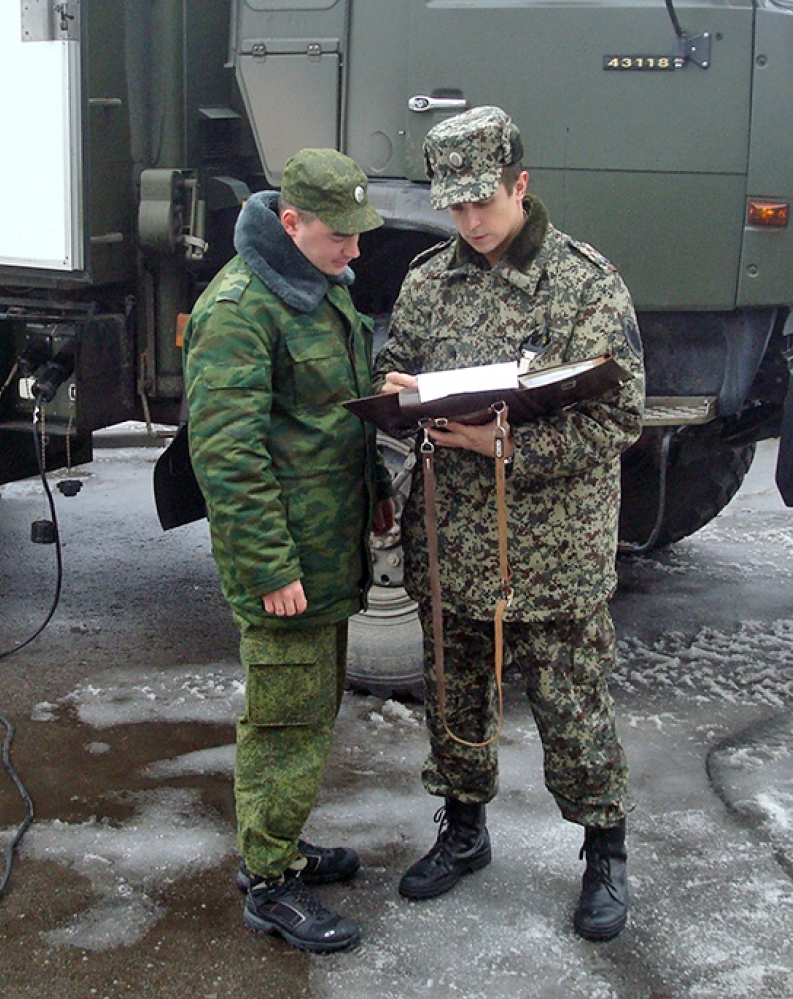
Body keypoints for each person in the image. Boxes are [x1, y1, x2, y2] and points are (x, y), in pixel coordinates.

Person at [374, 106, 647, 941]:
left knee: (573, 708)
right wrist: (397, 394)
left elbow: (619, 418)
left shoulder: (584, 284)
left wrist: (509, 444)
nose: (470, 222)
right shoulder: (428, 280)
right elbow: (398, 366)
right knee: (454, 695)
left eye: (483, 203)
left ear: (521, 185)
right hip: (451, 540)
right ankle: (463, 832)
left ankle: (605, 853)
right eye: (454, 207)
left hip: (552, 553)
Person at [182, 148, 394, 954]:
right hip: (288, 562)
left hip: (327, 549)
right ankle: (269, 883)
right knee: (283, 723)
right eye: (342, 234)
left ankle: (281, 844)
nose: (356, 251)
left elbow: (340, 411)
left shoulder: (318, 289)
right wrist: (270, 567)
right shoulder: (240, 309)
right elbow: (227, 456)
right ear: (293, 222)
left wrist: (374, 484)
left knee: (310, 710)